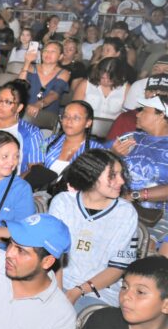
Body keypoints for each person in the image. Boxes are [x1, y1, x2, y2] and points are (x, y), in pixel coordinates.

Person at [50, 149, 138, 311]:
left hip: (99, 291)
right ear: (91, 175)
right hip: (56, 282)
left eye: (121, 174)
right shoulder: (63, 202)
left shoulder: (125, 212)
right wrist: (57, 292)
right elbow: (55, 255)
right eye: (113, 175)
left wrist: (77, 291)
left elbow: (117, 268)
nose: (121, 181)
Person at [112, 94, 168, 243]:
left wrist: (134, 195)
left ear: (161, 115)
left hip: (159, 214)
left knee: (143, 245)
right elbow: (99, 162)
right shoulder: (131, 137)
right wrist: (114, 155)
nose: (138, 114)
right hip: (118, 205)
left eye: (144, 110)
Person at [40, 101, 103, 178]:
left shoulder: (97, 150)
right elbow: (35, 165)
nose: (69, 121)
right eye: (66, 116)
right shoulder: (47, 142)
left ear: (88, 123)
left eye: (76, 118)